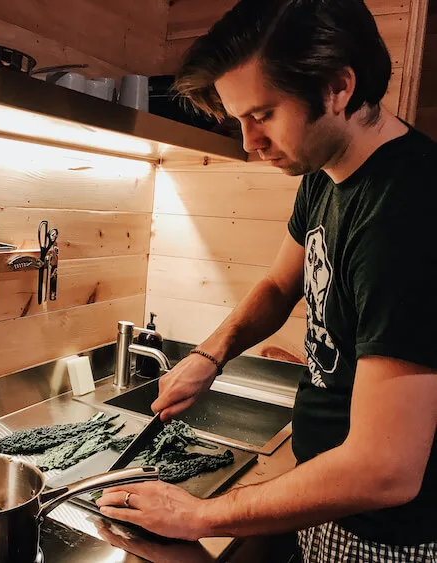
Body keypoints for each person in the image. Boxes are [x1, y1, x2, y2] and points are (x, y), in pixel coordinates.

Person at [96, 0, 437, 561]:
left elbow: (387, 470)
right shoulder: (328, 174)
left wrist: (197, 516)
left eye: (262, 115)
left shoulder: (408, 210)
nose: (248, 143)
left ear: (337, 87)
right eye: (238, 120)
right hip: (330, 501)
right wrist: (210, 355)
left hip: (389, 534)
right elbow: (282, 283)